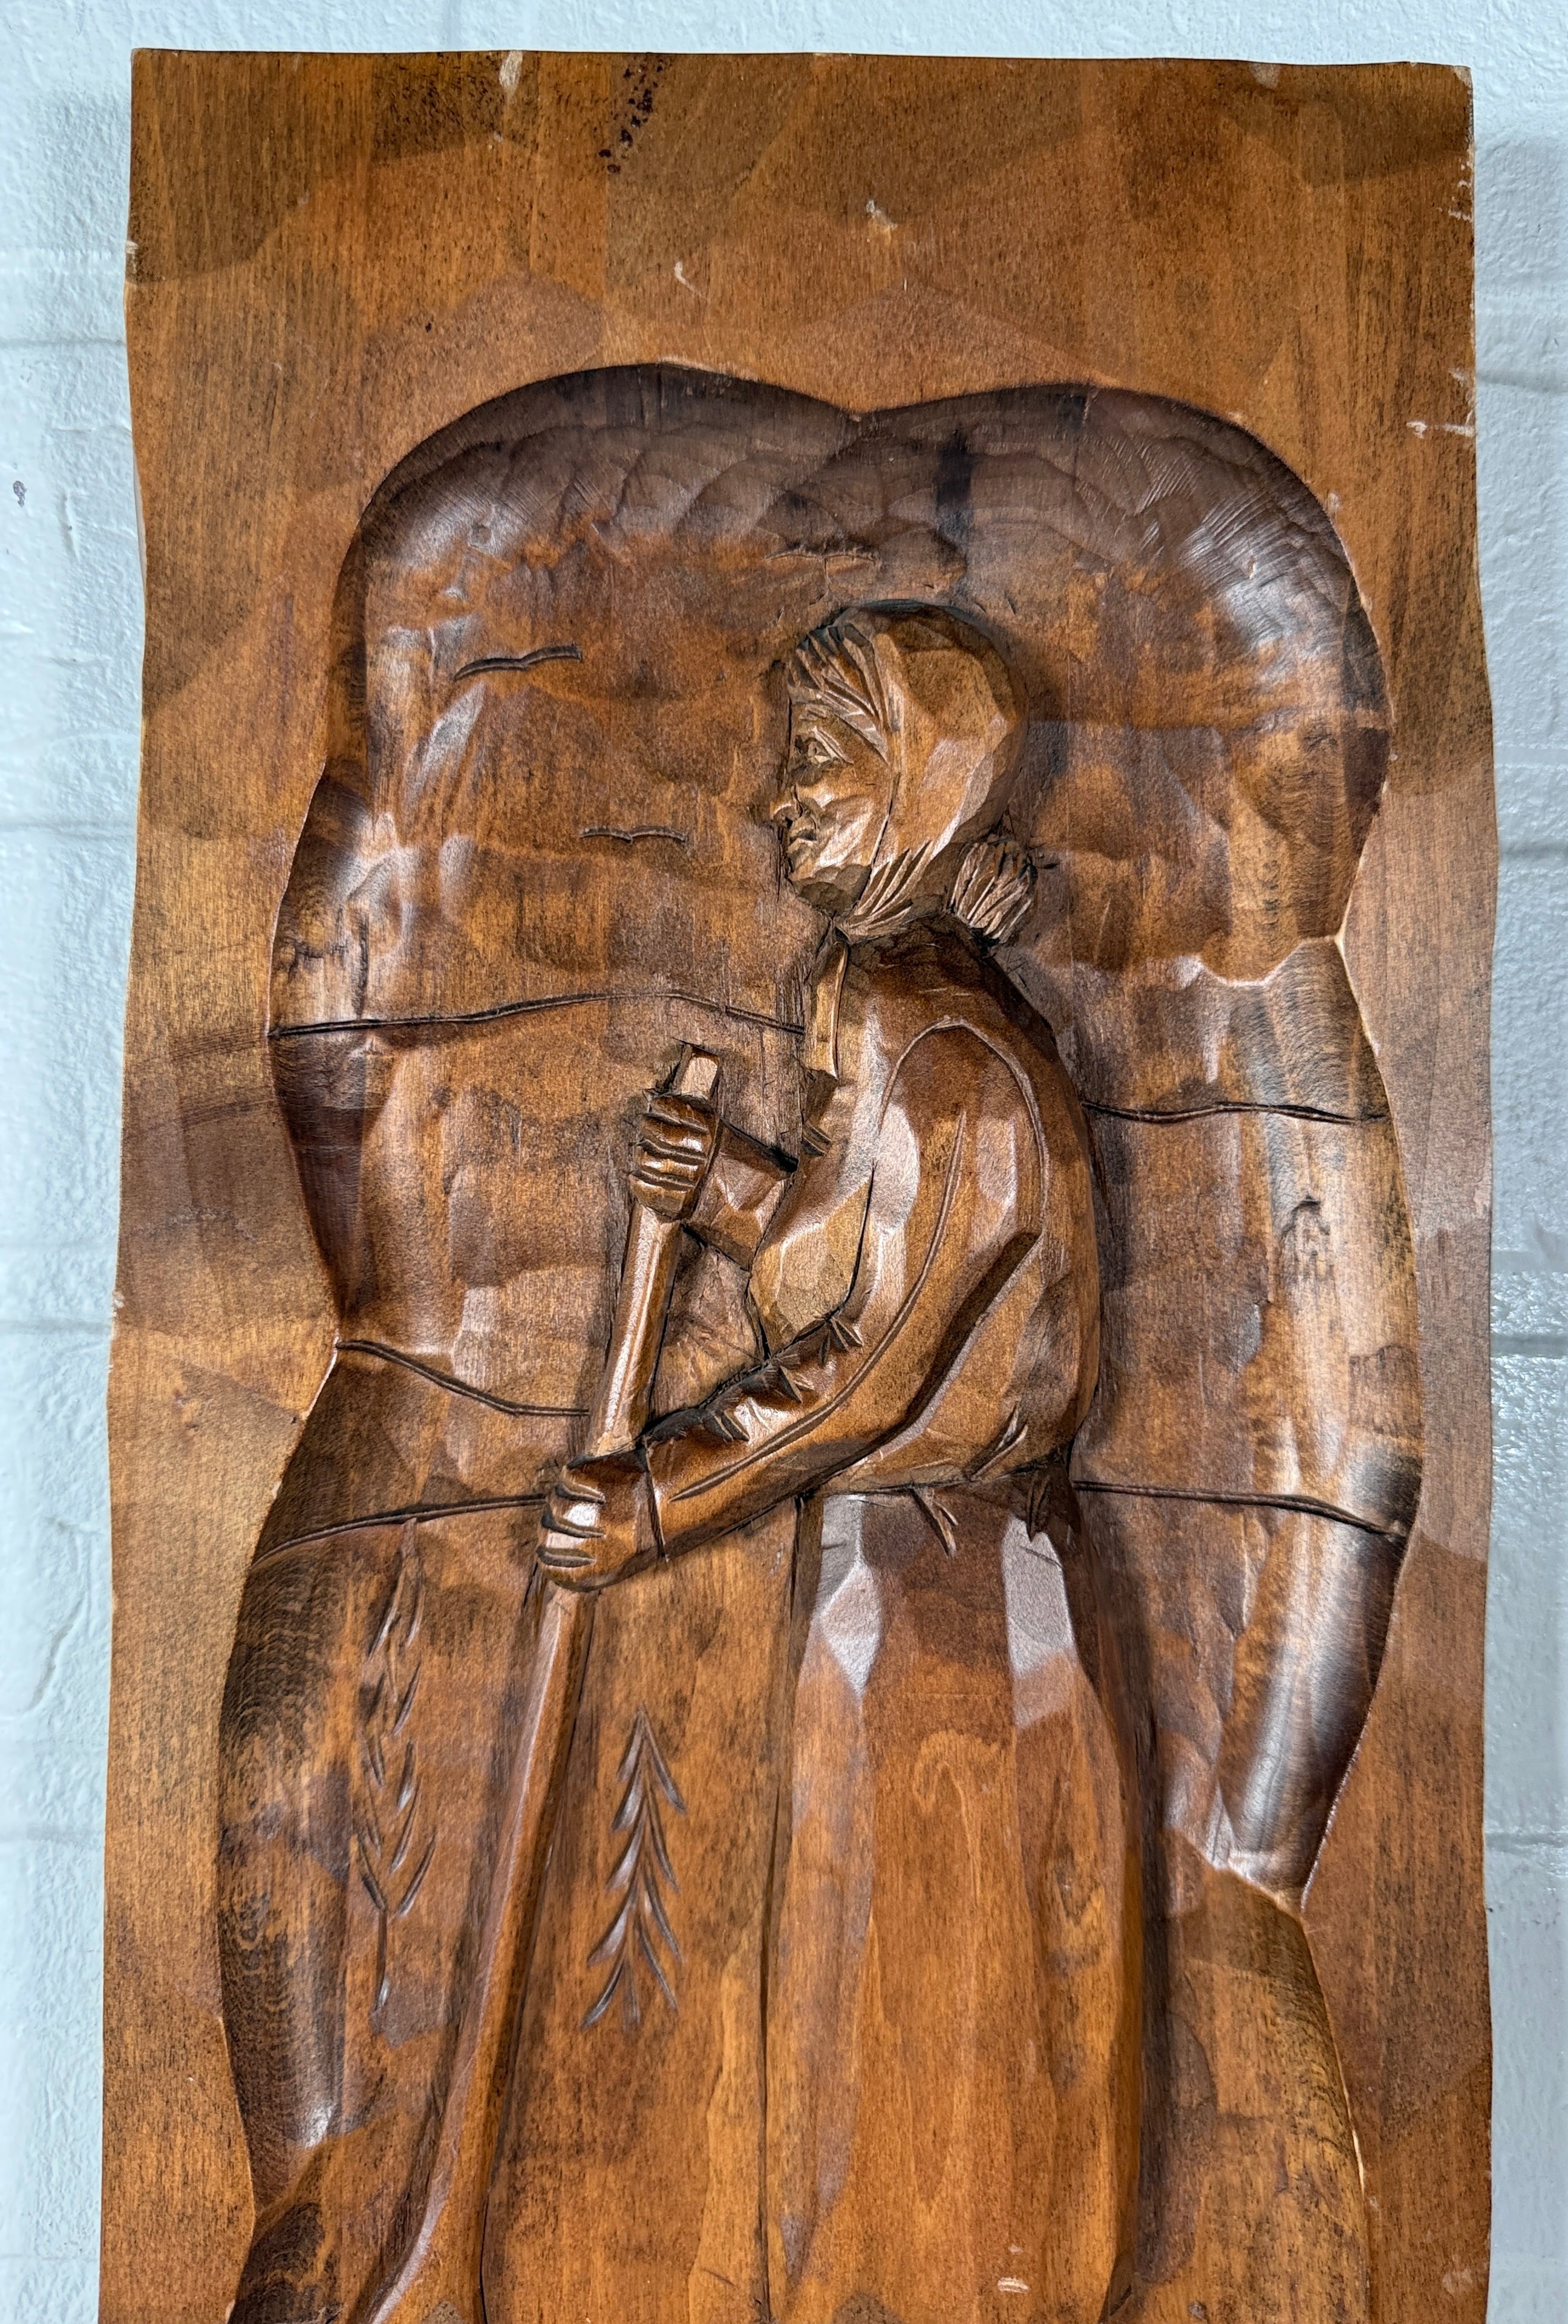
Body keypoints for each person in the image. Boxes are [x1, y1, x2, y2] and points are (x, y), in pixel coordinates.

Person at [534, 606, 1140, 2324]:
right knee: (847, 1997)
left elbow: (870, 1372)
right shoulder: (891, 1011)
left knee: (941, 2021)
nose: (778, 802)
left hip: (963, 1607)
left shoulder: (956, 1062)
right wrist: (732, 1187)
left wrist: (660, 1495)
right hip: (886, 1581)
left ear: (920, 786)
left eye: (820, 762)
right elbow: (846, 1255)